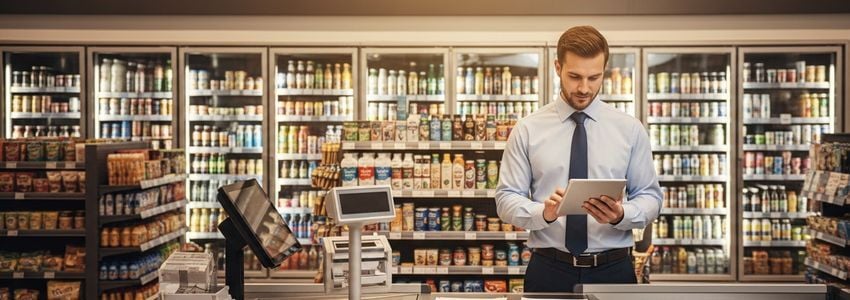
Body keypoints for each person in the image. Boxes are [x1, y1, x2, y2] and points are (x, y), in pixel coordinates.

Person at [495, 25, 662, 292]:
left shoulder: (630, 129)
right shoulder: (528, 129)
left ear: (604, 72)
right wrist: (544, 213)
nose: (584, 88)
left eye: (594, 77)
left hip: (614, 269)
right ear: (557, 67)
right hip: (548, 269)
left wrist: (621, 214)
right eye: (574, 76)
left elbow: (651, 198)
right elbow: (506, 199)